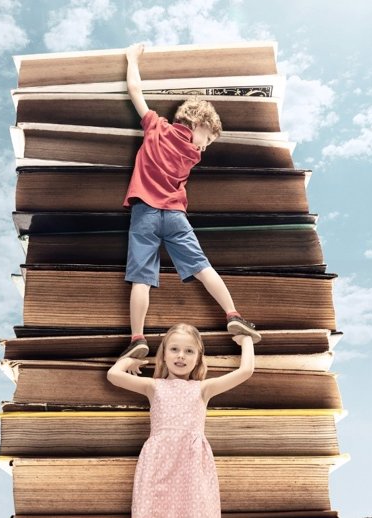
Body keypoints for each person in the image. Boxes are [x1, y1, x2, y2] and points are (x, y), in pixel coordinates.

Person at [121, 42, 261, 359]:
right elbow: (192, 149)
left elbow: (134, 90)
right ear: (199, 125)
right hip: (174, 215)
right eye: (207, 139)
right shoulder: (191, 157)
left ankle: (138, 338)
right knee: (202, 267)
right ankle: (232, 315)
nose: (204, 149)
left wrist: (132, 58)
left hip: (144, 213)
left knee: (141, 278)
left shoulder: (155, 127)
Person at [107, 323, 255, 517]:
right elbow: (113, 375)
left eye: (189, 351)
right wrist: (131, 359)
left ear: (198, 358)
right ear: (164, 354)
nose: (181, 356)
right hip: (159, 462)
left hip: (191, 466)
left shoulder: (203, 389)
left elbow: (246, 371)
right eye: (174, 349)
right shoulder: (153, 387)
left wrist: (246, 340)